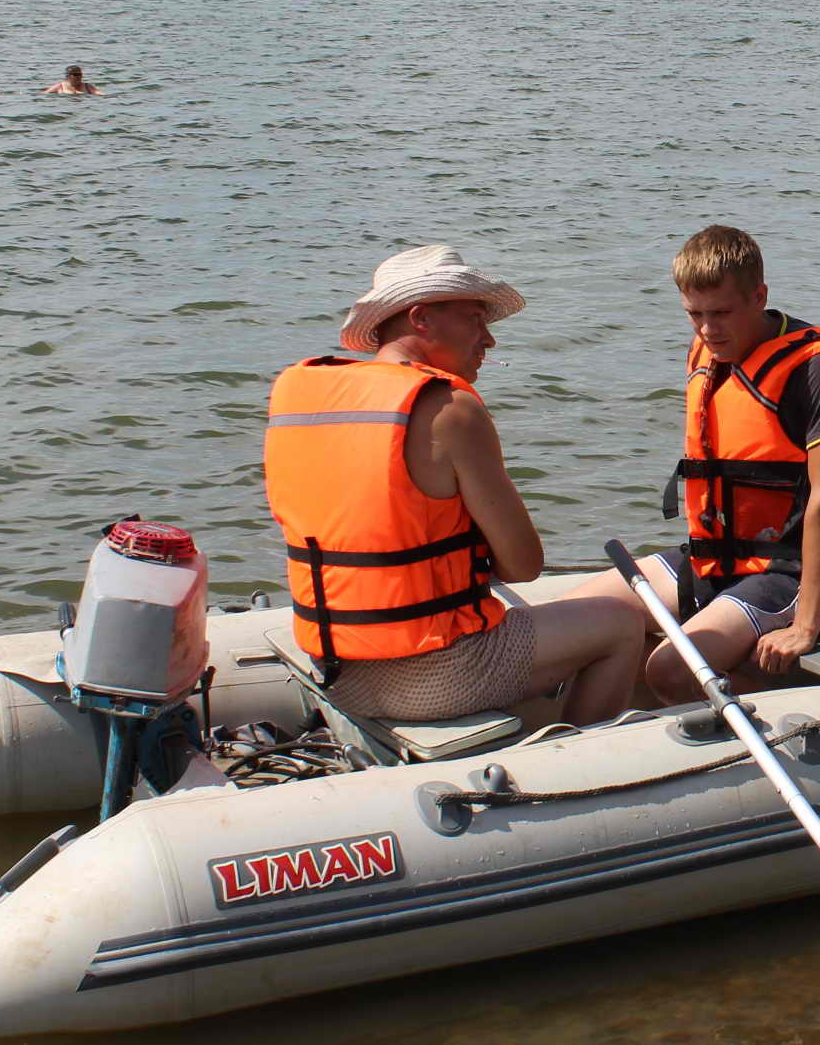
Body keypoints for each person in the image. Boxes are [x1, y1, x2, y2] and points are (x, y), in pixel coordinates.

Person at [262, 245, 646, 725]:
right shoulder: (450, 410)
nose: (489, 340)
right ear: (421, 317)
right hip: (437, 673)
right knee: (622, 622)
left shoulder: (298, 394)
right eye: (474, 319)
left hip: (336, 669)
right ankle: (584, 757)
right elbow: (524, 565)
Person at [578, 226, 820, 700]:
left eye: (721, 313)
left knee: (671, 671)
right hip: (717, 561)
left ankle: (806, 712)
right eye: (694, 314)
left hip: (791, 574)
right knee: (581, 611)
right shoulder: (707, 352)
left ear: (759, 296)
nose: (707, 329)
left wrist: (805, 628)